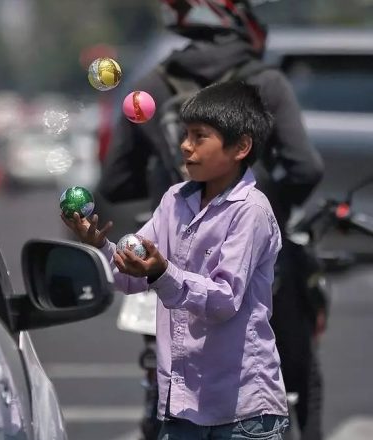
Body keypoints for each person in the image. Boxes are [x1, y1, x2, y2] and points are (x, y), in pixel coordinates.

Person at [96, 1, 325, 438]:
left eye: (199, 137)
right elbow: (306, 167)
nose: (188, 148)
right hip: (214, 272)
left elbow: (114, 181)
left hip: (167, 259)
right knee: (298, 371)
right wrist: (270, 206)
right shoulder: (265, 83)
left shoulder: (149, 87)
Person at [67, 81, 288, 439]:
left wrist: (163, 272)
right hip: (182, 407)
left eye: (200, 136)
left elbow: (223, 299)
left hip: (242, 412)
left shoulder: (250, 211)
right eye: (185, 134)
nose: (185, 145)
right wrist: (104, 248)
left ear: (241, 147)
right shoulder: (175, 200)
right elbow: (132, 277)